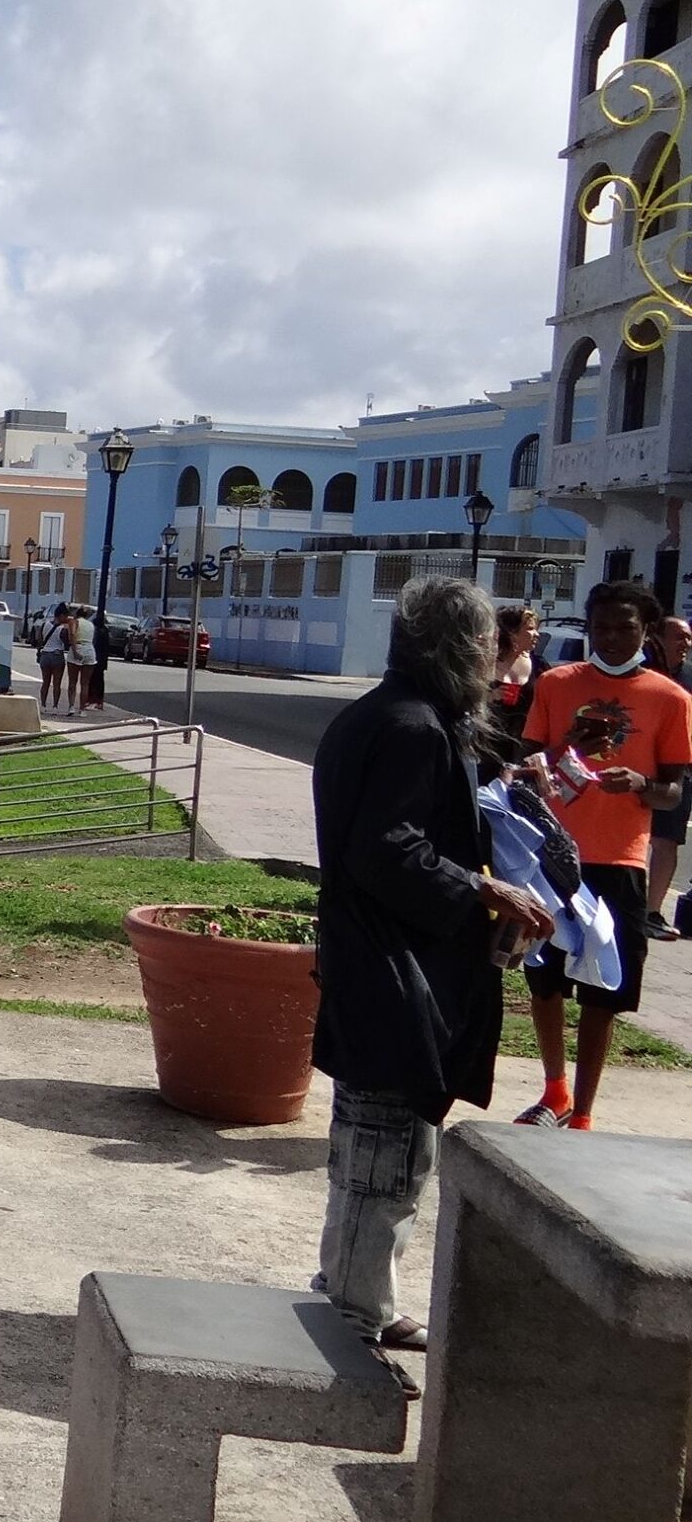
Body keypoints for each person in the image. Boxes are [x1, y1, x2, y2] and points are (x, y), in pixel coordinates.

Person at [312, 577, 556, 1366]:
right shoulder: (411, 728)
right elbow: (388, 850)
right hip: (390, 972)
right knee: (381, 1157)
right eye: (486, 643)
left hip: (376, 963)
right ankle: (349, 1330)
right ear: (458, 647)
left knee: (384, 1147)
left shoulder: (395, 717)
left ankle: (361, 1298)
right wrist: (485, 890)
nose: (495, 658)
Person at [515, 581, 692, 1129]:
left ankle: (585, 1111)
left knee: (604, 990)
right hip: (550, 854)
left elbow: (673, 791)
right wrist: (565, 747)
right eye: (601, 627)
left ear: (646, 631)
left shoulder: (671, 698)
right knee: (544, 979)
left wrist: (641, 783)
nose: (611, 638)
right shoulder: (556, 683)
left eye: (625, 627)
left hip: (620, 861)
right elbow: (525, 768)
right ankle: (555, 1091)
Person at [649, 614, 691, 940]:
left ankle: (652, 911)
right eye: (679, 636)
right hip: (639, 766)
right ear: (658, 639)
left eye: (688, 638)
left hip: (677, 771)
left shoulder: (689, 677)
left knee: (667, 842)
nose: (686, 643)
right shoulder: (642, 670)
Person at [488, 604, 539, 746]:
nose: (537, 634)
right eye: (530, 629)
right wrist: (492, 696)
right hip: (489, 743)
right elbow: (465, 701)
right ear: (512, 633)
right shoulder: (486, 664)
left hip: (525, 744)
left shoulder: (539, 665)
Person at [35, 604, 70, 714]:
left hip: (45, 655)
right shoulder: (62, 629)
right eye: (66, 616)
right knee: (56, 683)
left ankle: (43, 705)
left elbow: (39, 640)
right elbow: (66, 644)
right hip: (57, 655)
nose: (67, 618)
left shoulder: (45, 624)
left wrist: (39, 652)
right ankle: (55, 706)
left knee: (45, 682)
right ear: (61, 615)